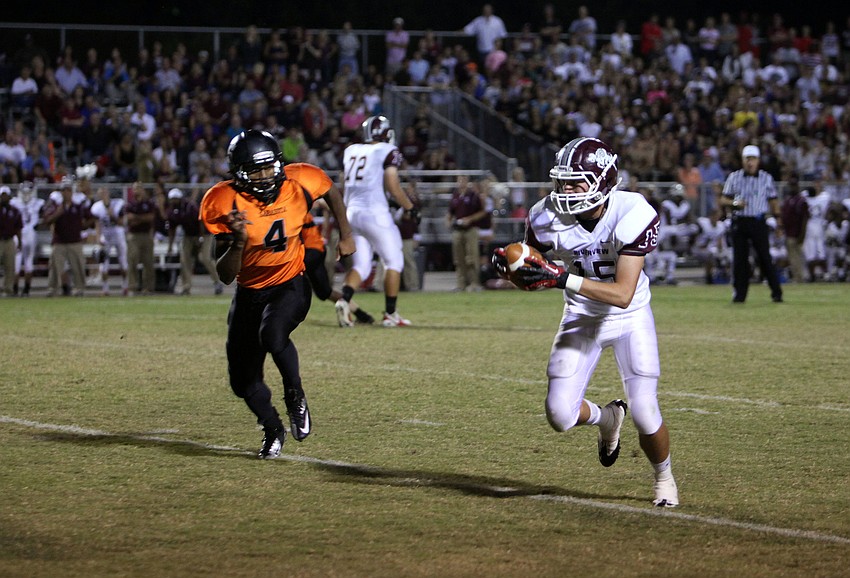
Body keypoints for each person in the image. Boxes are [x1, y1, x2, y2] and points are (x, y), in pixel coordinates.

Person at [491, 137, 679, 508]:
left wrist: (561, 278)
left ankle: (664, 477)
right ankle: (607, 419)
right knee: (560, 415)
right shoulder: (545, 216)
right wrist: (513, 271)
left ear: (604, 181)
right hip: (580, 315)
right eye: (562, 181)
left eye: (576, 182)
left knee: (644, 409)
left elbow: (623, 293)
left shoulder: (632, 212)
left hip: (629, 316)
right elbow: (535, 273)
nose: (566, 190)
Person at [199, 129, 355, 459]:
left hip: (290, 283)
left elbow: (331, 192)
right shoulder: (225, 203)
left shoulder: (301, 180)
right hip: (249, 292)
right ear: (238, 174)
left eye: (269, 167)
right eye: (255, 171)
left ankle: (295, 395)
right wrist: (239, 242)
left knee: (273, 333)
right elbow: (226, 276)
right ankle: (273, 427)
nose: (265, 176)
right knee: (242, 383)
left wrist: (346, 233)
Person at [336, 115, 417, 328]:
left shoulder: (351, 150)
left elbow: (344, 183)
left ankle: (344, 300)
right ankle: (391, 314)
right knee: (394, 262)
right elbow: (392, 185)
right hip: (374, 213)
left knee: (361, 265)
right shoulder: (386, 150)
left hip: (352, 213)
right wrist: (410, 207)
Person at [720, 145, 784, 303]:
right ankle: (739, 295)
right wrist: (735, 203)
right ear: (742, 161)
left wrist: (778, 222)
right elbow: (723, 199)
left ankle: (776, 292)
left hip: (758, 221)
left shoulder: (765, 178)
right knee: (740, 260)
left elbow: (773, 200)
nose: (750, 163)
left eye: (753, 159)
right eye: (747, 159)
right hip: (740, 221)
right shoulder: (734, 177)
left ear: (758, 161)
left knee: (764, 257)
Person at [301, 208, 374, 325]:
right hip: (313, 249)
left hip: (308, 251)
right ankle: (361, 314)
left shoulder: (289, 207)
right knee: (325, 292)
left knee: (287, 286)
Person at [164, 187, 223, 296]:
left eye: (175, 199)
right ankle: (186, 286)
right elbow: (172, 229)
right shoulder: (172, 210)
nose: (173, 201)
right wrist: (170, 246)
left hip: (204, 234)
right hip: (188, 235)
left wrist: (200, 237)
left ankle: (217, 282)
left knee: (204, 258)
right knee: (184, 259)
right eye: (172, 199)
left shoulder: (189, 207)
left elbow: (200, 221)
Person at [41, 178, 93, 297]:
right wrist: (57, 214)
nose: (66, 193)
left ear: (72, 192)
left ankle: (79, 288)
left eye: (68, 190)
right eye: (64, 190)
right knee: (54, 266)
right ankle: (52, 288)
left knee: (78, 266)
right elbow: (46, 221)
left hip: (75, 240)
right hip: (59, 240)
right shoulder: (56, 207)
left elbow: (91, 217)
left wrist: (83, 226)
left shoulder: (78, 206)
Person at [447, 175, 488, 292]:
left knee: (472, 257)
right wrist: (448, 221)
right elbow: (450, 212)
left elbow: (482, 212)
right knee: (458, 259)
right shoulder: (455, 196)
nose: (461, 182)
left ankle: (474, 283)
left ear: (467, 182)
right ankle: (461, 284)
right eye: (459, 180)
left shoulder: (473, 195)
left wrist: (470, 219)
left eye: (463, 180)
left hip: (471, 229)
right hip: (458, 230)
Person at [89, 186, 129, 296]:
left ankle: (125, 286)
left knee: (123, 261)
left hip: (118, 233)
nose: (103, 195)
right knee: (103, 262)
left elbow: (121, 223)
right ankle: (105, 288)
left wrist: (112, 216)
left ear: (108, 193)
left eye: (104, 192)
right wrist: (98, 238)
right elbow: (97, 224)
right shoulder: (96, 207)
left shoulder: (118, 204)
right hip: (105, 234)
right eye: (101, 193)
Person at [9, 181, 44, 297]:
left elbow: (44, 217)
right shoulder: (14, 202)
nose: (26, 195)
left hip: (30, 233)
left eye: (28, 192)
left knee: (28, 263)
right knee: (17, 263)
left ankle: (26, 289)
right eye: (24, 192)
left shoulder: (38, 203)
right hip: (19, 233)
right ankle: (15, 289)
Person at [125, 181, 157, 296]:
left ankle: (148, 287)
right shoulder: (130, 205)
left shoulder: (148, 204)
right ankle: (132, 287)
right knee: (132, 260)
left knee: (148, 262)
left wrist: (137, 218)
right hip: (134, 235)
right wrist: (141, 218)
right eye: (135, 188)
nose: (137, 190)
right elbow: (129, 219)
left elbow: (150, 218)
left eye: (139, 188)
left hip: (146, 234)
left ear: (143, 190)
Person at [780, 173, 808, 283]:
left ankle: (800, 277)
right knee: (792, 258)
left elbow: (805, 219)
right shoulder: (788, 200)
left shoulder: (801, 201)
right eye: (790, 185)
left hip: (796, 233)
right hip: (788, 233)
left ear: (797, 186)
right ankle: (797, 276)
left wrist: (802, 234)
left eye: (794, 185)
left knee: (797, 257)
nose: (792, 187)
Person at [0, 186, 23, 297]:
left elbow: (18, 228)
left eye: (5, 195)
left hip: (9, 240)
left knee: (10, 266)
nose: (3, 198)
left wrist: (20, 241)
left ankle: (8, 289)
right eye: (2, 195)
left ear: (9, 197)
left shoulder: (15, 211)